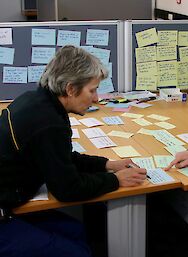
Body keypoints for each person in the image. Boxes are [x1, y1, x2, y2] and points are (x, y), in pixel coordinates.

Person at [0, 45, 147, 257]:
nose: (97, 98)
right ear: (70, 89)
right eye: (92, 90)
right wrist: (117, 180)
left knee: (77, 230)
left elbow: (61, 157)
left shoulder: (36, 100)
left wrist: (107, 165)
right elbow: (68, 189)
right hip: (4, 213)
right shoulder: (48, 122)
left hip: (11, 198)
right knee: (77, 253)